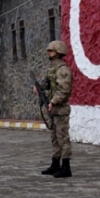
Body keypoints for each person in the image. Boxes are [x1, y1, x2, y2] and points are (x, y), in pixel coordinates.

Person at [35, 40, 73, 178]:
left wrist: (53, 101)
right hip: (52, 108)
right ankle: (55, 164)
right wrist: (39, 89)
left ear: (58, 53)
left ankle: (66, 166)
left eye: (51, 51)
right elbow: (48, 86)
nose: (48, 53)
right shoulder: (51, 69)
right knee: (55, 138)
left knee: (63, 138)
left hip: (60, 108)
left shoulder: (63, 70)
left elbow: (64, 90)